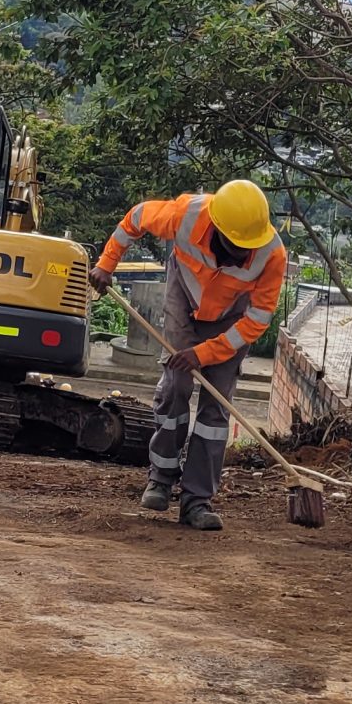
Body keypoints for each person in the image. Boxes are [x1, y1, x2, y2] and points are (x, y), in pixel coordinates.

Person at [91, 179, 287, 531]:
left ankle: (198, 500)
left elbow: (257, 320)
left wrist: (206, 353)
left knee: (216, 405)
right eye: (236, 246)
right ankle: (161, 479)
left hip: (231, 319)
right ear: (217, 229)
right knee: (177, 385)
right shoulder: (184, 215)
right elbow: (134, 219)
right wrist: (106, 265)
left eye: (248, 248)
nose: (244, 254)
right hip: (184, 298)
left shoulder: (271, 253)